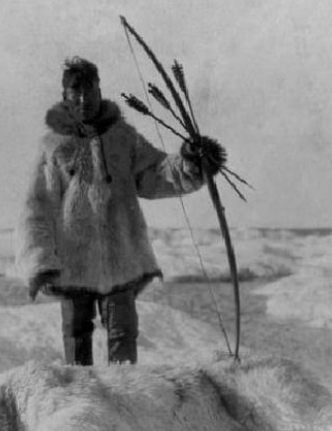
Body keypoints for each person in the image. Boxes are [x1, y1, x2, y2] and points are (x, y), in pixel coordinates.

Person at [15, 56, 222, 366]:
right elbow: (36, 208)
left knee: (124, 335)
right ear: (65, 95)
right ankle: (80, 401)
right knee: (76, 336)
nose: (85, 98)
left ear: (100, 90)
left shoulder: (123, 138)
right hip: (74, 264)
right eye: (76, 91)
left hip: (121, 260)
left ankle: (125, 399)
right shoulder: (53, 146)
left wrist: (192, 161)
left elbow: (155, 173)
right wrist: (40, 262)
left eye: (91, 90)